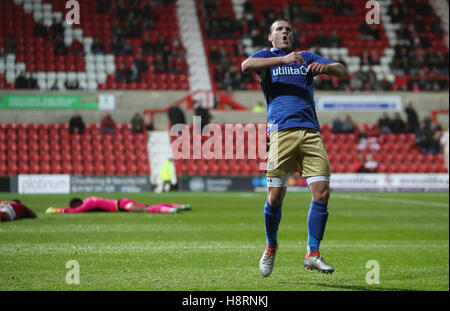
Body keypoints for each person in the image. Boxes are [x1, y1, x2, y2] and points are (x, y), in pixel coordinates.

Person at [241, 18, 348, 277]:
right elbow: (246, 65)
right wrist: (282, 60)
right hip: (280, 133)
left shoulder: (305, 56)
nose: (285, 33)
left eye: (288, 29)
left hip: (311, 132)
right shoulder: (267, 57)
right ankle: (271, 246)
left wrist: (325, 68)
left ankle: (312, 253)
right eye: (279, 29)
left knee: (322, 193)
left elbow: (341, 70)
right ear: (271, 37)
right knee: (275, 198)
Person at [46, 196, 191, 215]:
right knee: (150, 205)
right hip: (122, 202)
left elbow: (76, 211)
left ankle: (171, 210)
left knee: (146, 209)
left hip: (121, 205)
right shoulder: (91, 200)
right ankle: (181, 206)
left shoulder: (89, 202)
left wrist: (58, 210)